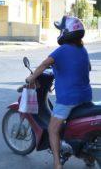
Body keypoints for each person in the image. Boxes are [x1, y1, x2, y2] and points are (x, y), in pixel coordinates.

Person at [26, 16, 92, 169]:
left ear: (66, 32)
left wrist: (31, 77)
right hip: (85, 97)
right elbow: (85, 68)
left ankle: (57, 163)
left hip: (68, 99)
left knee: (52, 129)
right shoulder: (82, 50)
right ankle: (88, 157)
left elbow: (44, 64)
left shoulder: (62, 50)